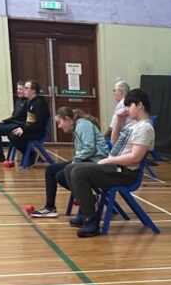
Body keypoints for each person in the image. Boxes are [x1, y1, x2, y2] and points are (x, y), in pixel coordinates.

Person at [66, 87, 154, 238]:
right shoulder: (133, 125)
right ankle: (86, 210)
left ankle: (91, 222)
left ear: (140, 105)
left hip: (126, 173)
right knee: (70, 169)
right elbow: (114, 143)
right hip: (114, 167)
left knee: (78, 173)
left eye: (129, 105)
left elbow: (135, 158)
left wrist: (109, 160)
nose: (127, 109)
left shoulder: (145, 128)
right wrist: (119, 120)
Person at [28, 108, 110, 218]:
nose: (59, 126)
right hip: (87, 160)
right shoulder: (78, 126)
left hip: (96, 161)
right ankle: (50, 207)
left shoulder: (83, 125)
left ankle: (88, 198)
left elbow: (90, 148)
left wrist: (75, 161)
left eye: (59, 122)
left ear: (67, 119)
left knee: (61, 176)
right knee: (51, 170)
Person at [0, 82, 28, 162]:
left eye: (21, 89)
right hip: (14, 123)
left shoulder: (28, 102)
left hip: (19, 125)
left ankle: (0, 155)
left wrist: (23, 128)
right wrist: (4, 121)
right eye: (18, 89)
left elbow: (26, 119)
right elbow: (14, 116)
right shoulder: (18, 101)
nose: (18, 91)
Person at [107, 79, 131, 144]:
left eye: (114, 91)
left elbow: (112, 127)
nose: (113, 93)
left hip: (123, 139)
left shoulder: (122, 104)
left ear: (120, 92)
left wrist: (103, 137)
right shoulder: (130, 102)